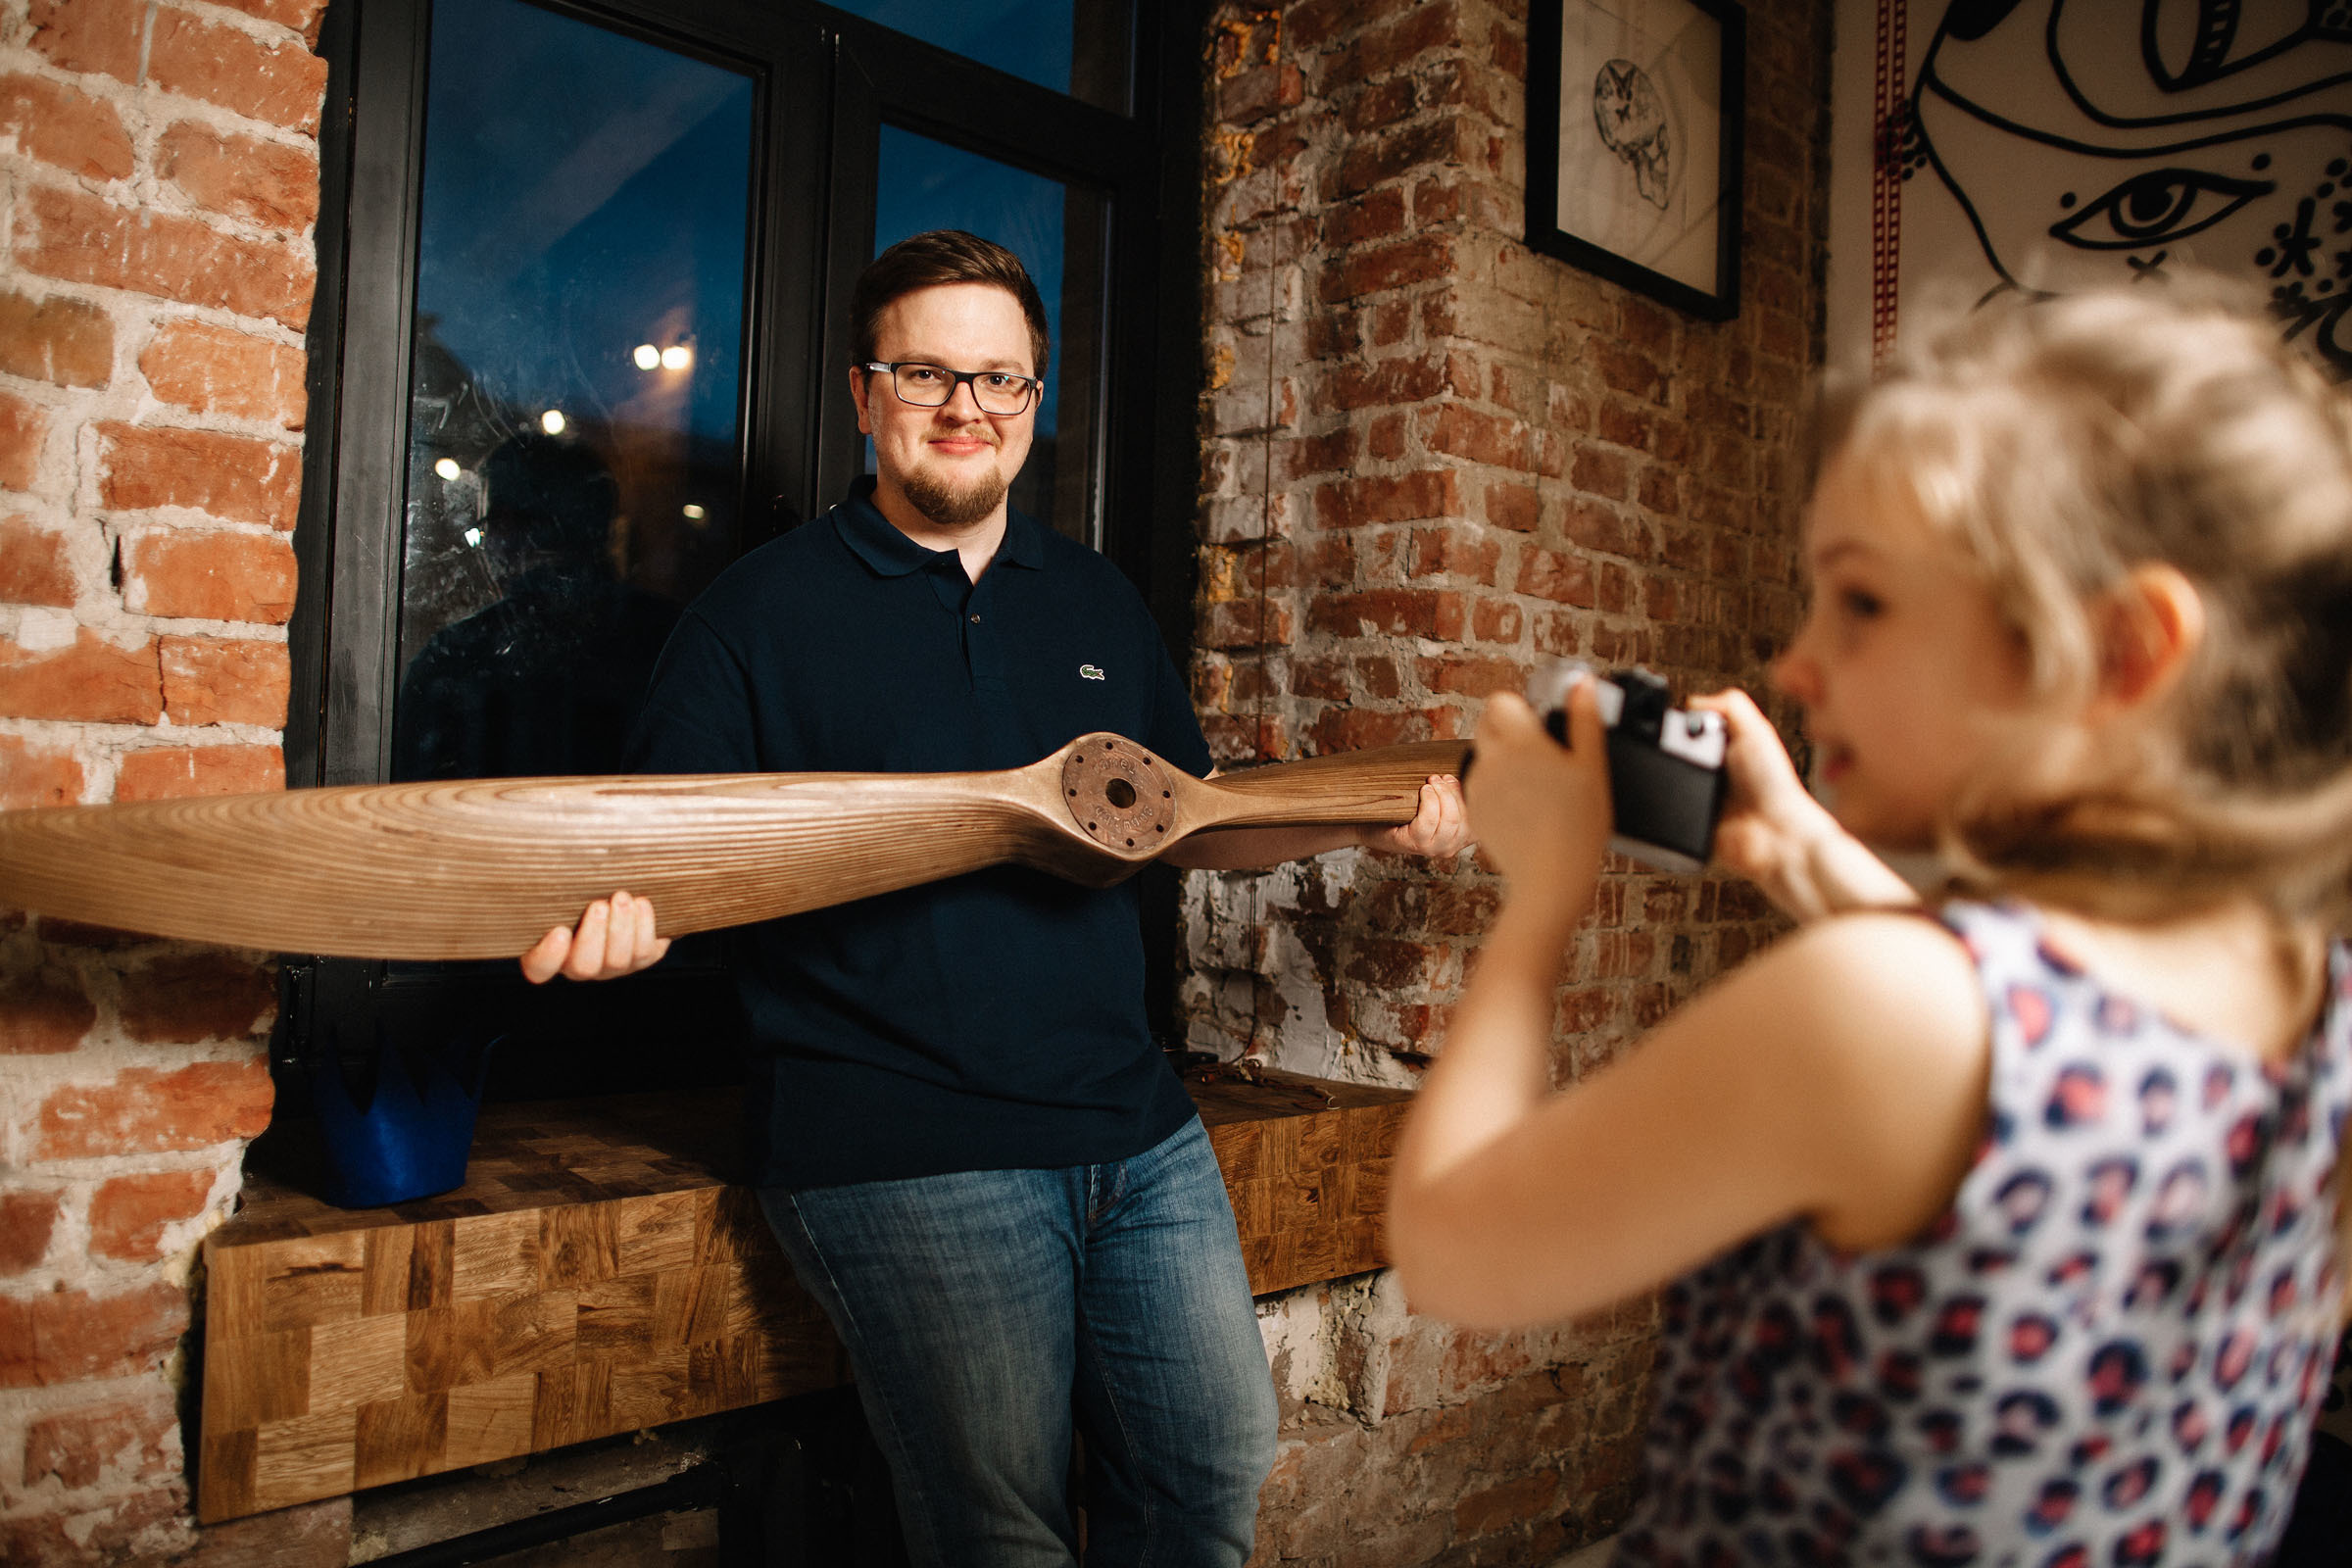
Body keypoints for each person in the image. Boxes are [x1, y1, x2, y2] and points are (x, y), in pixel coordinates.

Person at [518, 229, 1467, 1567]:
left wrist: (1371, 818)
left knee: (1208, 1476)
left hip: (1134, 1130)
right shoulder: (756, 615)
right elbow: (658, 854)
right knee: (1001, 1540)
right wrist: (624, 924)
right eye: (926, 375)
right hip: (902, 1140)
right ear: (864, 395)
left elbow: (1183, 830)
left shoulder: (1093, 603)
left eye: (999, 380)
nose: (965, 408)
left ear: (1035, 400)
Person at [1390, 279, 2352, 1562]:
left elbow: (1453, 1250)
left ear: (2119, 653)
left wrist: (1544, 894)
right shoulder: (2306, 986)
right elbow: (2046, 1042)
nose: (1796, 662)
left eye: (1862, 600)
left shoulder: (1875, 1005)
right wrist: (1800, 852)